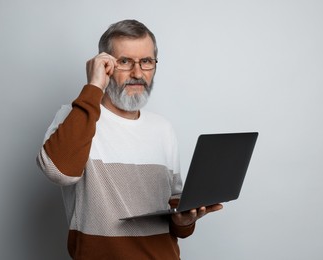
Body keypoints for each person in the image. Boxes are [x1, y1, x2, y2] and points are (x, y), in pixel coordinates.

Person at [37, 19, 223, 259]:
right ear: (104, 65)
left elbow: (177, 217)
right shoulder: (76, 117)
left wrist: (184, 220)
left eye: (146, 61)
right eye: (125, 62)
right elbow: (57, 172)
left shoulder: (163, 129)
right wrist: (94, 86)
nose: (137, 73)